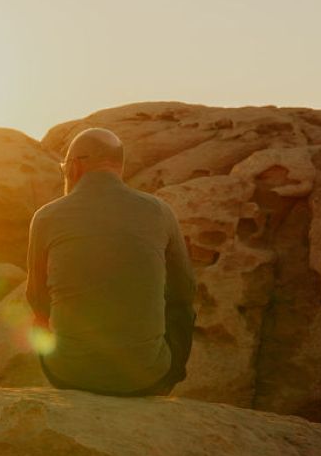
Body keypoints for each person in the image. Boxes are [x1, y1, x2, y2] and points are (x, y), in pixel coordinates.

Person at [25, 127, 196, 396]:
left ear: (75, 166)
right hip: (146, 379)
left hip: (68, 374)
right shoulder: (160, 211)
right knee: (181, 306)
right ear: (118, 166)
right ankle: (164, 378)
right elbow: (185, 291)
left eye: (64, 166)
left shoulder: (46, 217)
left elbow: (36, 299)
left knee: (39, 320)